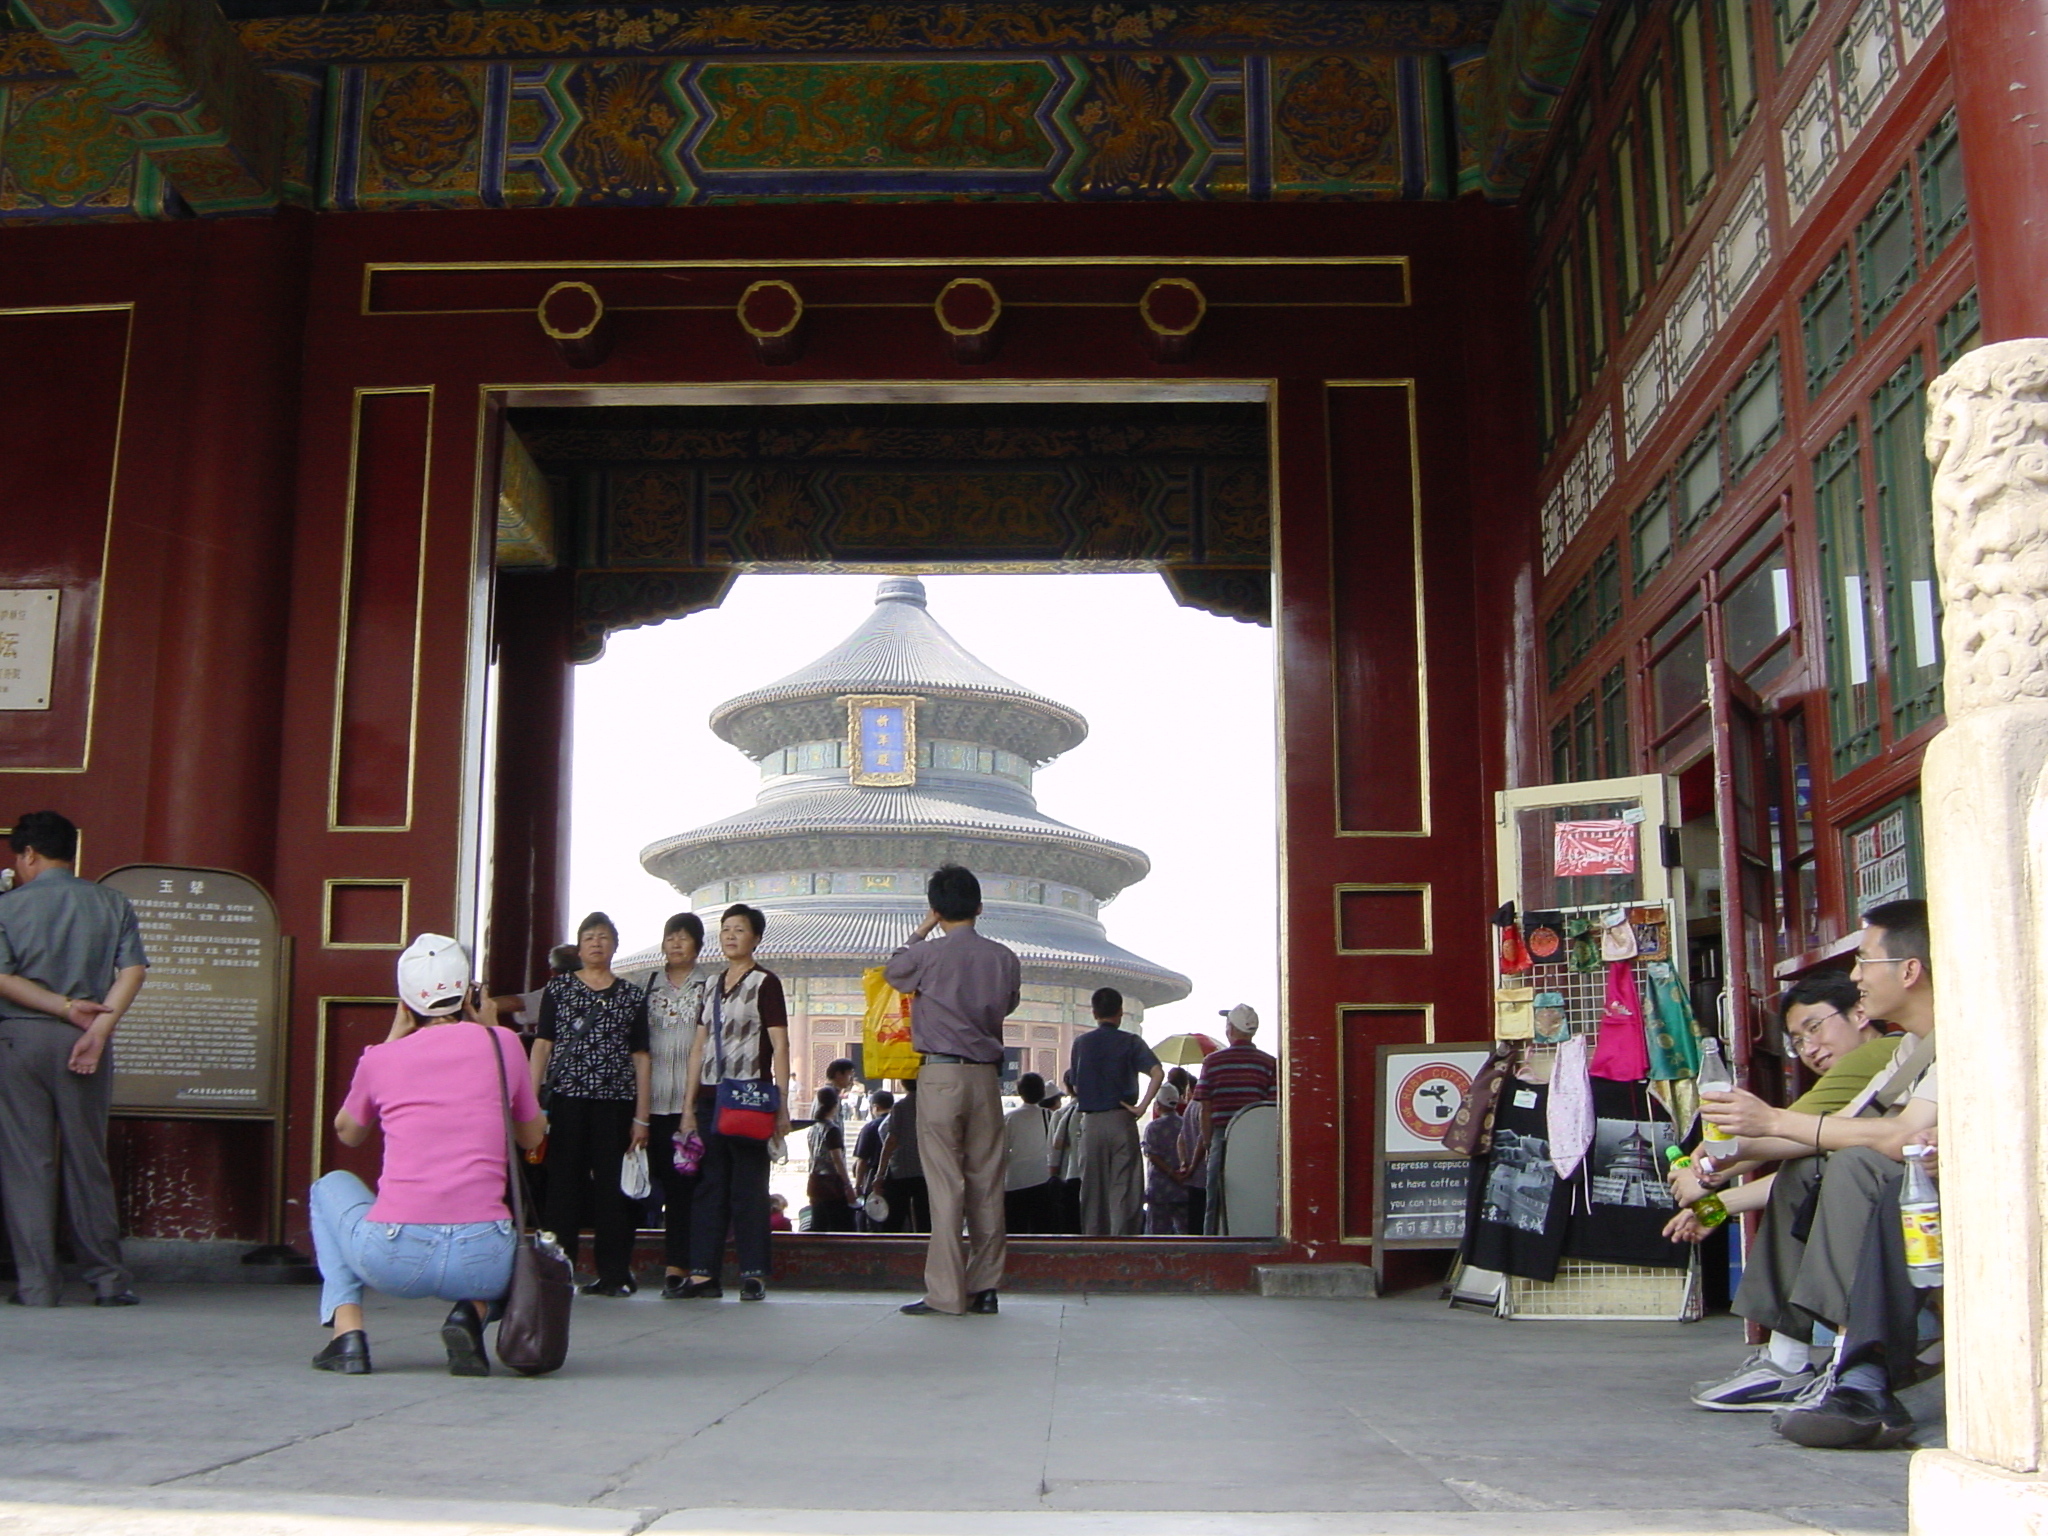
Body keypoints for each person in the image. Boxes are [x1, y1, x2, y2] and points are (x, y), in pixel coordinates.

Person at [1679, 901, 1937, 1447]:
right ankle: (1801, 1363)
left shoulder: (1884, 1051)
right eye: (1797, 1039)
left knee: (1848, 1164)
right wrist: (1718, 1162)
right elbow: (1815, 1135)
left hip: (1938, 1205)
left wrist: (1713, 1187)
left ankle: (1852, 1368)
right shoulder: (1909, 1049)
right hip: (1908, 1197)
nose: (1857, 976)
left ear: (1908, 972)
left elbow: (1823, 1136)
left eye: (1865, 962)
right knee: (1829, 1164)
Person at [309, 934, 547, 1375]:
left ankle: (348, 1336)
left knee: (328, 1187)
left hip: (394, 1258)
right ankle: (469, 1314)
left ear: (405, 1003)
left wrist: (388, 1042)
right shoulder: (504, 1046)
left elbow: (348, 1133)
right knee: (504, 1237)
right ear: (470, 995)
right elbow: (532, 1137)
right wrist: (492, 1029)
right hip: (485, 1260)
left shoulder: (381, 1059)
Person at [0, 811, 148, 1308]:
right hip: (87, 1044)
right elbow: (132, 972)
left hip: (20, 1040)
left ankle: (38, 1285)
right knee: (89, 1158)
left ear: (29, 855)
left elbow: (3, 978)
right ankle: (108, 1280)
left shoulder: (7, 907)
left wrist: (62, 1007)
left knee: (28, 1163)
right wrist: (97, 1027)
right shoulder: (112, 902)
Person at [885, 865, 1021, 1317]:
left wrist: (924, 927)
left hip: (940, 1078)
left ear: (938, 909)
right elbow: (1009, 1003)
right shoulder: (1004, 958)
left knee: (946, 1187)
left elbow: (894, 971)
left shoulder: (926, 956)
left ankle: (946, 1293)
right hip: (985, 1078)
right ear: (980, 907)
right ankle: (985, 1288)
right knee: (986, 1183)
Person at [529, 911, 650, 1298]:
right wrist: (531, 1105)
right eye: (589, 937)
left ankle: (614, 1274)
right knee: (562, 1188)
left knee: (613, 1192)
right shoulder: (559, 989)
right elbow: (543, 1045)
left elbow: (642, 1057)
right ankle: (557, 1271)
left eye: (604, 937)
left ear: (615, 945)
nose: (596, 943)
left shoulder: (631, 995)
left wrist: (641, 1117)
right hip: (567, 1101)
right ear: (579, 947)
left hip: (615, 1103)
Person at [677, 903, 790, 1301]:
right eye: (725, 929)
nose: (730, 936)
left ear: (755, 938)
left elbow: (779, 1043)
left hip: (749, 1098)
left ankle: (753, 1272)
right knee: (710, 1186)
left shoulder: (766, 983)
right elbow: (698, 1047)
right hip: (710, 1097)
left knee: (749, 1186)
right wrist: (688, 1107)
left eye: (739, 929)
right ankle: (703, 1273)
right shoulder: (710, 985)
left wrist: (783, 1103)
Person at [631, 912, 706, 1299]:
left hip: (687, 1105)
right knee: (643, 1187)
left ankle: (678, 1267)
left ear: (698, 945)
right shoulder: (646, 988)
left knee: (682, 1191)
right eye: (670, 937)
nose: (675, 944)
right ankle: (620, 1268)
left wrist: (692, 1107)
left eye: (684, 938)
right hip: (649, 1103)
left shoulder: (708, 988)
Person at [1069, 987, 1161, 1237]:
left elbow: (1076, 1085)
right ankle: (1123, 1245)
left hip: (1091, 1123)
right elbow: (1157, 1073)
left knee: (1092, 1191)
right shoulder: (1131, 1042)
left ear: (1094, 1013)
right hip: (1122, 1119)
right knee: (1124, 1190)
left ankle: (1093, 1246)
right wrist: (1142, 1107)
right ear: (1120, 1012)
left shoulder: (1081, 1044)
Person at [1191, 1004, 1279, 1234]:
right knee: (1256, 1194)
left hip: (1222, 1137)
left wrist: (1208, 1144)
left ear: (1230, 1028)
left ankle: (1212, 1243)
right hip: (1258, 1140)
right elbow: (1271, 1108)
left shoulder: (1212, 1062)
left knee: (1216, 1199)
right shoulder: (1269, 1063)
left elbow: (1205, 1109)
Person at [1003, 1072, 1056, 1234]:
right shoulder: (1049, 1116)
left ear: (1020, 1092)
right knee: (1041, 1229)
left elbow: (1002, 1152)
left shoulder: (1009, 1118)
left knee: (1015, 1229)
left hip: (1014, 1180)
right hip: (1041, 1178)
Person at [877, 1077, 928, 1233]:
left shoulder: (900, 1107)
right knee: (925, 1219)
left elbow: (891, 1140)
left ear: (903, 1083)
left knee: (894, 1219)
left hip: (902, 1169)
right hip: (928, 1170)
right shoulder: (934, 1106)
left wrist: (880, 1174)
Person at [806, 1085, 857, 1231]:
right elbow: (837, 1159)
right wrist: (847, 1185)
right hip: (831, 1183)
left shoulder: (814, 1127)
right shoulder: (832, 1129)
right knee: (840, 1225)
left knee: (819, 1224)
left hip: (815, 1180)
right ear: (835, 1105)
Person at [1144, 1081, 1191, 1235]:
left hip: (1159, 1191)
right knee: (1185, 1234)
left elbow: (1152, 1156)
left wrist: (1170, 1173)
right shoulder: (1185, 1124)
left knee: (1156, 1236)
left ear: (1158, 1104)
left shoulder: (1153, 1127)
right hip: (1183, 1189)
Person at [1045, 1069, 1086, 1233]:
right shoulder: (1096, 1113)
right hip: (1092, 1177)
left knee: (1071, 1227)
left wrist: (1052, 1176)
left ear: (1068, 1088)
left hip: (1067, 1177)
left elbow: (1053, 1152)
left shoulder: (1061, 1115)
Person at [1168, 1067, 1207, 1234]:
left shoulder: (1191, 1106)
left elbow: (1181, 1139)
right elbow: (1203, 1139)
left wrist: (1184, 1164)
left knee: (1193, 1223)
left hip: (1191, 1177)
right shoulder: (1204, 1107)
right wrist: (1193, 1166)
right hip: (1203, 1174)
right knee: (1203, 1222)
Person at [852, 1087, 894, 1229]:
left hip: (875, 1176)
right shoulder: (900, 1125)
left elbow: (862, 1160)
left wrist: (858, 1185)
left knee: (875, 1216)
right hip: (898, 1175)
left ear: (875, 1107)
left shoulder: (870, 1127)